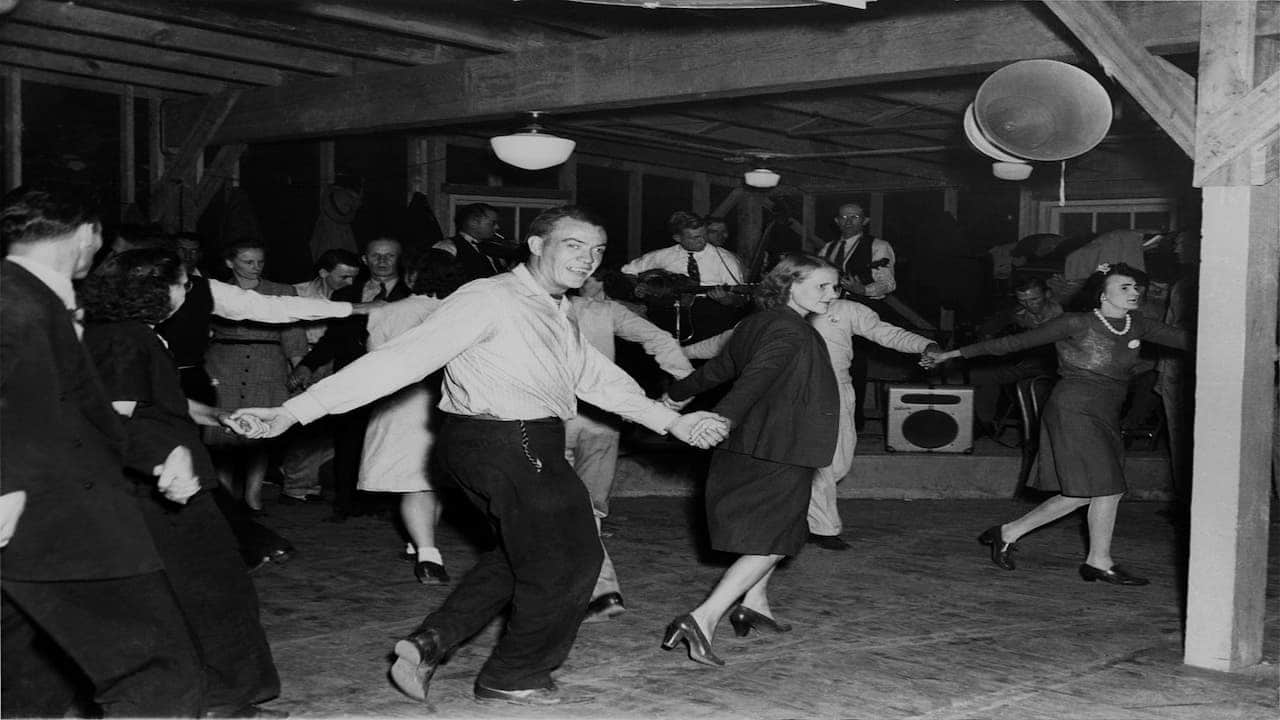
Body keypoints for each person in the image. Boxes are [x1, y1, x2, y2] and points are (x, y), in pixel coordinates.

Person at [228, 206, 728, 706]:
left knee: (524, 551)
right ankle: (514, 674)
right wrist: (295, 412)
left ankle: (431, 642)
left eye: (596, 250)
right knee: (571, 559)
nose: (587, 259)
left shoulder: (552, 306)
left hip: (513, 441)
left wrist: (673, 420)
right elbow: (400, 360)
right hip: (508, 439)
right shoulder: (489, 299)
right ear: (536, 245)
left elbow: (594, 376)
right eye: (573, 245)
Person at [1, 186, 203, 717]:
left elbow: (71, 409)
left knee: (30, 678)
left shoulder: (38, 297)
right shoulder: (13, 298)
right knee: (158, 671)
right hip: (59, 524)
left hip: (44, 525)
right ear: (88, 233)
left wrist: (157, 455)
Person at [81, 248, 282, 717]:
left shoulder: (122, 335)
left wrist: (219, 415)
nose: (187, 291)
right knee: (216, 591)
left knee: (196, 590)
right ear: (157, 289)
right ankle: (224, 700)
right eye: (182, 283)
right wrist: (163, 465)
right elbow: (113, 422)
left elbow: (154, 401)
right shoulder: (128, 340)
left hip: (157, 483)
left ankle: (212, 696)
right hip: (164, 488)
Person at [922, 262, 1189, 586]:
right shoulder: (1075, 322)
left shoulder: (1138, 325)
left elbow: (1187, 339)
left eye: (1136, 288)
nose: (1135, 293)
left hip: (1106, 412)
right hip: (1072, 410)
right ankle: (1099, 561)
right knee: (1109, 487)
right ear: (1102, 295)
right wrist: (952, 355)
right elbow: (1012, 344)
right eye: (1125, 287)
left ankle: (1007, 533)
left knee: (1082, 494)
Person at [659, 253, 840, 667]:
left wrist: (679, 391)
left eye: (835, 287)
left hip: (760, 443)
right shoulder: (791, 331)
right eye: (822, 287)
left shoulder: (756, 322)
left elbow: (722, 366)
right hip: (778, 447)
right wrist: (721, 418)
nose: (832, 295)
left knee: (786, 527)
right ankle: (701, 619)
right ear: (790, 285)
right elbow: (757, 376)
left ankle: (754, 603)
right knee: (773, 539)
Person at [568, 266, 696, 621]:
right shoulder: (608, 311)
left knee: (554, 509)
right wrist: (682, 388)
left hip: (551, 417)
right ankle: (601, 591)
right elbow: (663, 341)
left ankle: (599, 591)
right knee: (590, 510)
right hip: (603, 418)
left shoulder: (545, 306)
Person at [358, 250, 467, 585]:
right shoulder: (462, 312)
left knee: (414, 482)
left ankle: (426, 553)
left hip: (403, 402)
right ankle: (420, 544)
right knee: (433, 481)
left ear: (411, 276)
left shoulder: (390, 312)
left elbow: (377, 361)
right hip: (451, 402)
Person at [292, 236, 411, 521]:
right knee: (348, 440)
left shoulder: (412, 294)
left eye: (390, 255)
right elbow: (333, 338)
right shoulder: (345, 295)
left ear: (399, 259)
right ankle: (346, 503)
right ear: (365, 259)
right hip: (350, 378)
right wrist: (307, 365)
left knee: (388, 440)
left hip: (393, 379)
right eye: (376, 255)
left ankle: (388, 505)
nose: (382, 261)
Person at [205, 239, 309, 512]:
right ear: (230, 262)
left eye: (260, 262)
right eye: (248, 262)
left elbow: (294, 335)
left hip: (268, 365)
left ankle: (253, 496)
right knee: (222, 434)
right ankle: (226, 496)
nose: (256, 267)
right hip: (223, 364)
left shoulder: (281, 291)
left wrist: (299, 368)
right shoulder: (215, 290)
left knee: (259, 433)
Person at [279, 248, 362, 504]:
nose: (349, 283)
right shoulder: (297, 292)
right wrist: (301, 366)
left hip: (336, 363)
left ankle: (305, 480)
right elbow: (289, 332)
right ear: (323, 273)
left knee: (329, 430)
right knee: (304, 424)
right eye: (343, 277)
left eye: (353, 277)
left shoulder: (351, 296)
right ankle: (296, 484)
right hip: (301, 362)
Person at [819, 202, 898, 430]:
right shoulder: (827, 248)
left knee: (853, 368)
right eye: (844, 217)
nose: (848, 221)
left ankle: (854, 423)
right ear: (837, 221)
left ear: (864, 221)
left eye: (855, 217)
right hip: (829, 315)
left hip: (860, 316)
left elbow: (888, 283)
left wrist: (863, 290)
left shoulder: (879, 246)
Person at [621, 210, 749, 343]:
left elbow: (741, 299)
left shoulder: (726, 259)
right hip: (666, 312)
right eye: (694, 237)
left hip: (710, 316)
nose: (702, 241)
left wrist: (726, 299)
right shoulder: (663, 255)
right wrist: (638, 287)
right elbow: (627, 271)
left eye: (704, 234)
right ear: (677, 238)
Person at [967, 276, 1064, 436]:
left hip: (1060, 369)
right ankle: (986, 424)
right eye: (1023, 300)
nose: (1029, 304)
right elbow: (989, 328)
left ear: (1047, 295)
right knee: (980, 376)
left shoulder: (1065, 314)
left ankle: (1043, 433)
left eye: (1034, 299)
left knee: (1037, 388)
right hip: (1025, 365)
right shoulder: (1017, 313)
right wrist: (987, 335)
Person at [432, 202, 510, 281]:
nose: (497, 227)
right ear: (473, 223)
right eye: (493, 223)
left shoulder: (494, 249)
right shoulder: (447, 247)